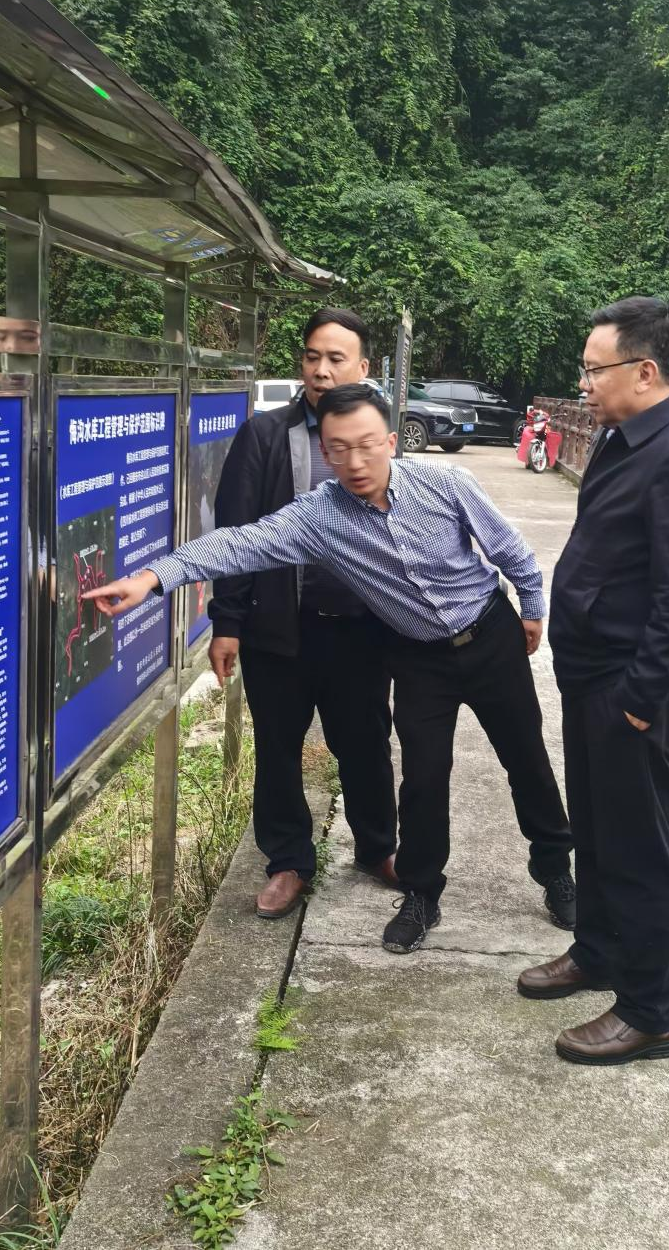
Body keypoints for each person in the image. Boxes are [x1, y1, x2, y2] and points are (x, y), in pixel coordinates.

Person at [85, 384, 575, 952]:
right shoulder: (319, 516)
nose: (355, 462)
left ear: (391, 441)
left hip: (489, 634)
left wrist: (531, 608)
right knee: (423, 776)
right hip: (419, 657)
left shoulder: (446, 484)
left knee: (526, 759)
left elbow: (509, 549)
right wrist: (153, 577)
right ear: (325, 451)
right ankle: (421, 893)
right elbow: (240, 543)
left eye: (367, 445)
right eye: (339, 449)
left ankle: (556, 873)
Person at [516, 296, 669, 1065]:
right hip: (593, 672)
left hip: (635, 686)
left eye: (594, 369)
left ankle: (650, 1010)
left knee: (640, 849)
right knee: (599, 833)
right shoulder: (623, 433)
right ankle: (598, 949)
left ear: (644, 371)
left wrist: (640, 698)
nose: (585, 383)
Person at [204, 308, 398, 919]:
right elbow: (236, 533)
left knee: (365, 742)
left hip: (361, 629)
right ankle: (288, 861)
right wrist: (227, 622)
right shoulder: (265, 434)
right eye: (312, 356)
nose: (321, 369)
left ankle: (378, 847)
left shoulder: (379, 433)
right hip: (279, 628)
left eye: (336, 358)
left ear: (363, 367)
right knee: (279, 748)